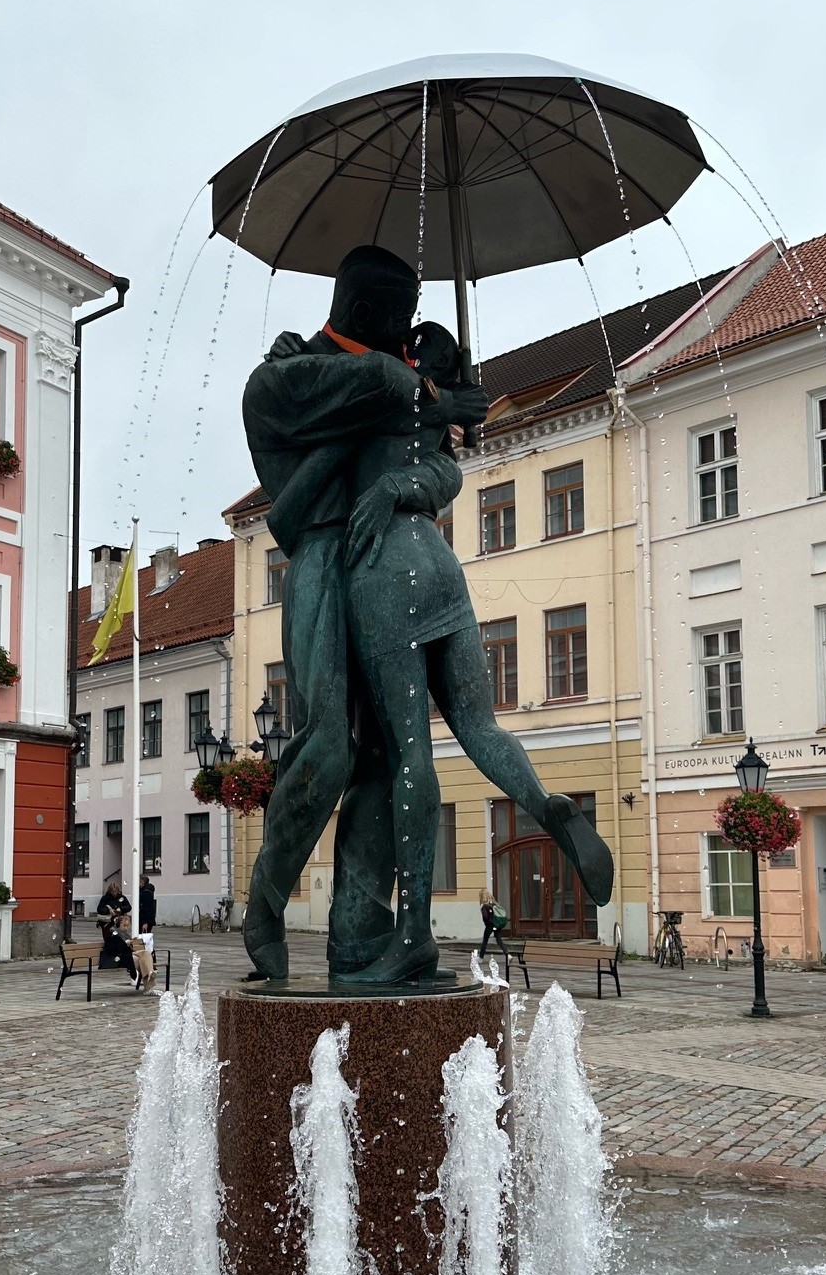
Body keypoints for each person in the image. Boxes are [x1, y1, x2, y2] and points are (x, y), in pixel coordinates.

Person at [332, 320, 613, 984]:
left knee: (410, 754)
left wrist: (425, 419)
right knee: (482, 726)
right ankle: (546, 805)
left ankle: (412, 936)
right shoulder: (433, 423)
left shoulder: (381, 392)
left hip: (387, 576)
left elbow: (359, 404)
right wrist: (446, 406)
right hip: (441, 567)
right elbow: (443, 481)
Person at [238, 244, 488, 979]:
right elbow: (367, 383)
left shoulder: (402, 383)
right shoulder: (285, 377)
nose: (407, 332)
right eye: (398, 317)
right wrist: (434, 398)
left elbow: (434, 470)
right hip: (318, 560)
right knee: (329, 745)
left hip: (386, 569)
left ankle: (357, 924)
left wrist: (442, 429)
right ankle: (264, 900)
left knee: (386, 755)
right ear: (362, 312)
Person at [95, 877, 132, 970]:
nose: (115, 893)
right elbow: (99, 909)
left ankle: (119, 958)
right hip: (108, 923)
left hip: (119, 923)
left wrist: (121, 909)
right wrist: (108, 910)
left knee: (121, 939)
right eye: (113, 892)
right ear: (110, 891)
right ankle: (110, 958)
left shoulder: (122, 898)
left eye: (116, 891)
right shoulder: (105, 898)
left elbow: (128, 907)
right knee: (109, 940)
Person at [478, 886, 512, 961]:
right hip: (497, 924)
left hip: (490, 926)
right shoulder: (494, 904)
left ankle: (480, 957)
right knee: (499, 940)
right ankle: (507, 954)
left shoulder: (485, 907)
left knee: (485, 941)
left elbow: (486, 917)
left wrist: (488, 921)